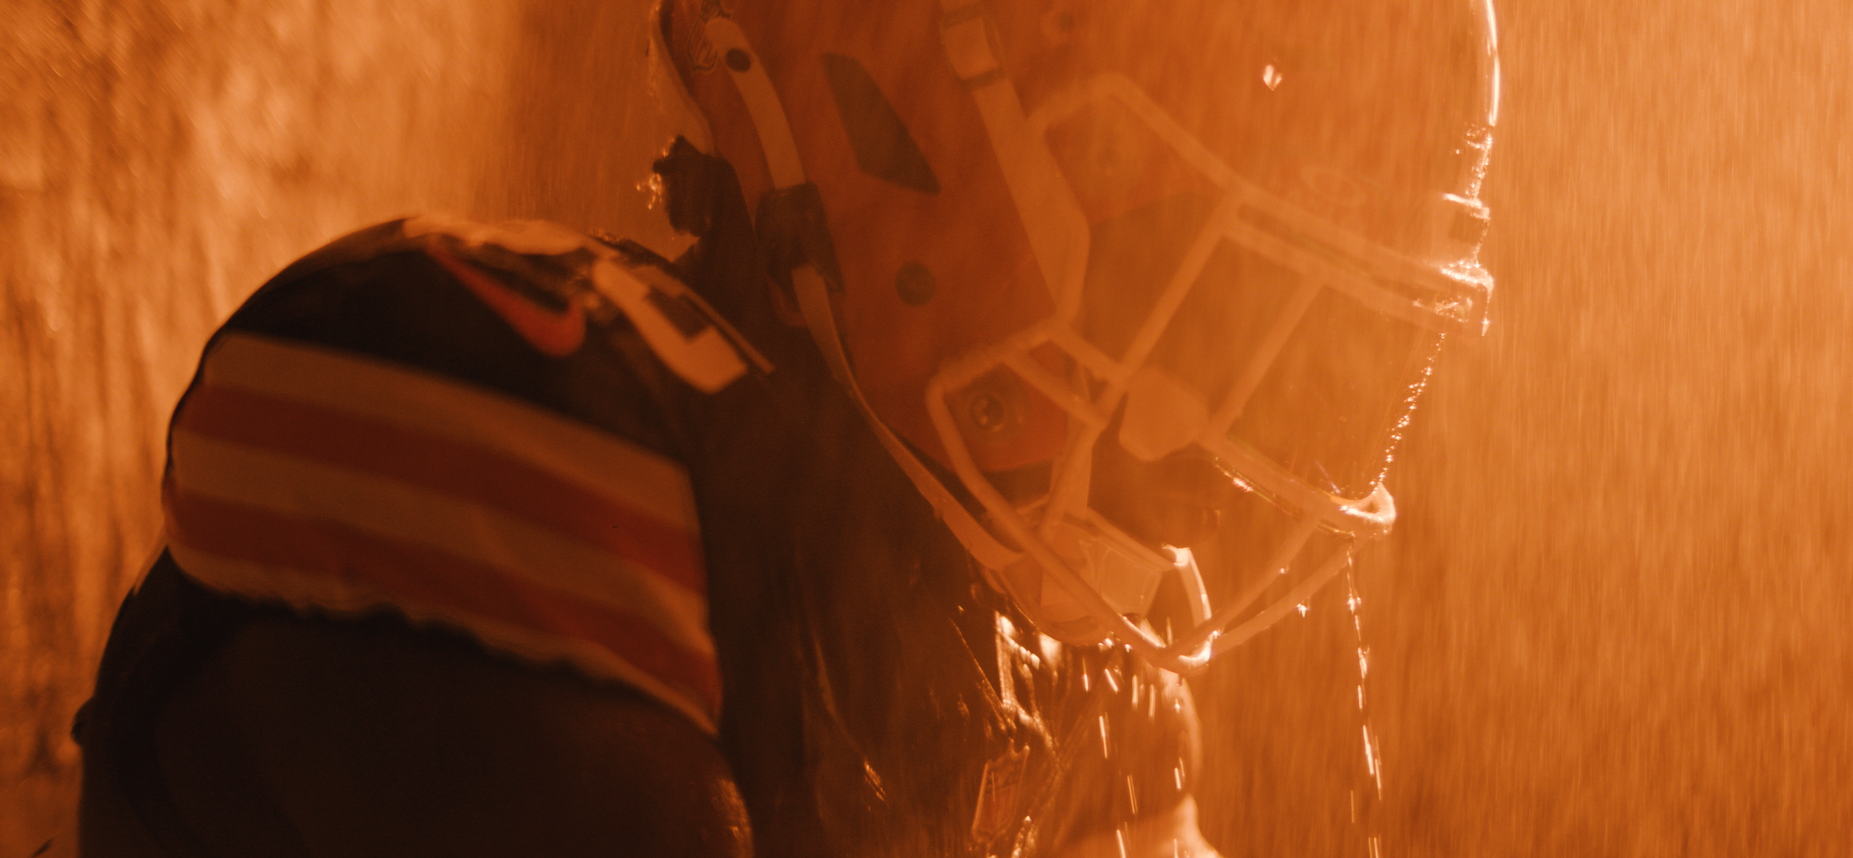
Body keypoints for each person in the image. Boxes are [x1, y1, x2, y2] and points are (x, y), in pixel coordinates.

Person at [73, 0, 1499, 855]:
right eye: (1226, 290)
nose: (1258, 410)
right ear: (909, 120)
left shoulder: (1066, 663)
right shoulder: (536, 408)